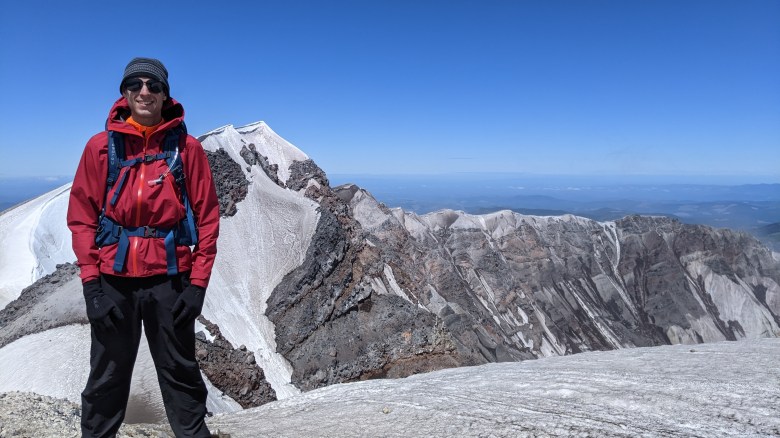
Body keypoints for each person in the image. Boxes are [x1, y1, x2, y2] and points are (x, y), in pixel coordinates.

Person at [67, 57, 220, 437]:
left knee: (180, 373)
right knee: (107, 377)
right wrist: (91, 285)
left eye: (154, 85)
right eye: (135, 85)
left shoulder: (188, 149)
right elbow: (82, 216)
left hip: (170, 279)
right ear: (124, 93)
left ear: (166, 95)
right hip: (114, 280)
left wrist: (197, 285)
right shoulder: (101, 148)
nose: (144, 92)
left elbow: (208, 218)